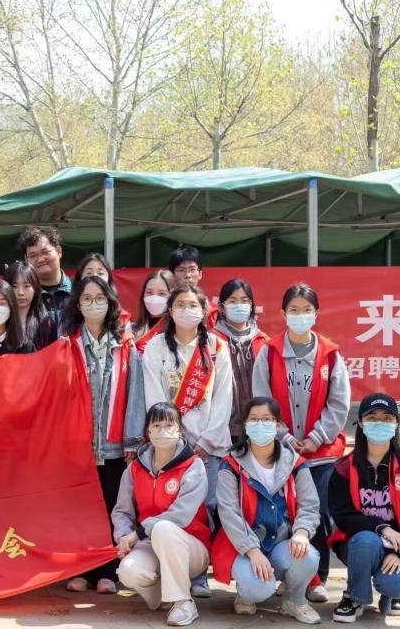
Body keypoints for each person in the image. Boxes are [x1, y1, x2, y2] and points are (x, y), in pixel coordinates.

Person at [252, 283, 351, 603]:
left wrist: (315, 438)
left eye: (306, 310)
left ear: (316, 313)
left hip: (321, 452)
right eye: (293, 310)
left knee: (316, 511)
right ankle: (287, 576)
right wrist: (284, 436)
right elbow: (261, 399)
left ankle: (317, 578)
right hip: (279, 450)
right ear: (283, 314)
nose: (300, 315)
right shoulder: (269, 352)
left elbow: (339, 404)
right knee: (282, 513)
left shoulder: (330, 355)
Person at [142, 284, 232, 599]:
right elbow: (154, 396)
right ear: (170, 310)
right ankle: (172, 570)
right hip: (169, 444)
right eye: (180, 304)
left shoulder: (217, 347)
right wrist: (171, 442)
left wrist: (206, 442)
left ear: (204, 310)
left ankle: (199, 574)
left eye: (193, 305)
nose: (186, 310)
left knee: (207, 507)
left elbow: (224, 398)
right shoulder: (155, 347)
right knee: (174, 507)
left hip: (209, 446)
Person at [63, 276, 145, 595]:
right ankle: (82, 571)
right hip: (79, 444)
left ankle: (107, 572)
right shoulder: (67, 344)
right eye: (86, 298)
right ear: (77, 304)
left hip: (114, 445)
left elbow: (135, 392)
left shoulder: (125, 345)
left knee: (113, 506)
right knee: (81, 510)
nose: (93, 304)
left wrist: (133, 440)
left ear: (110, 302)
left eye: (100, 298)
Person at [212, 397, 322, 624]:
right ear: (245, 425)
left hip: (282, 541)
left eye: (267, 419)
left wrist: (302, 532)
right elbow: (229, 513)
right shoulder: (230, 465)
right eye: (254, 419)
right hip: (244, 546)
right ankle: (246, 593)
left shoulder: (295, 463)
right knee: (258, 589)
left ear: (278, 424)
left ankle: (295, 600)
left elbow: (310, 505)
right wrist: (252, 551)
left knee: (308, 556)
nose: (260, 424)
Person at [112, 402, 210, 627]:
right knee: (128, 571)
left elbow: (181, 515)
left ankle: (183, 601)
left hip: (191, 547)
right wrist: (124, 537)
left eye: (169, 425)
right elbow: (121, 511)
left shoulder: (193, 466)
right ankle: (164, 595)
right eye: (156, 425)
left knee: (164, 528)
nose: (162, 431)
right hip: (150, 544)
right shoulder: (134, 469)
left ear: (180, 430)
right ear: (148, 431)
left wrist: (138, 533)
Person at [329, 393, 400, 623]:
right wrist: (383, 528)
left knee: (394, 584)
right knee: (366, 541)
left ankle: (391, 594)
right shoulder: (343, 469)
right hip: (359, 544)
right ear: (361, 423)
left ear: (396, 423)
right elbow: (342, 515)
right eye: (372, 418)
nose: (380, 423)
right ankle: (355, 597)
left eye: (387, 418)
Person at [212, 279, 269, 441]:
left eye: (244, 301)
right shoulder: (211, 342)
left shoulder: (264, 342)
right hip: (223, 430)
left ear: (251, 306)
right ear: (221, 307)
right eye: (232, 301)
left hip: (260, 429)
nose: (239, 306)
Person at [17, 225, 71, 324]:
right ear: (26, 259)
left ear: (59, 251)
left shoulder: (79, 289)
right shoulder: (24, 296)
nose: (40, 259)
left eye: (45, 252)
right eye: (33, 255)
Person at [4, 261, 56, 350]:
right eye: (14, 286)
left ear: (35, 288)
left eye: (27, 286)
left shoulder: (46, 324)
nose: (20, 292)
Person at [168, 247, 217, 327]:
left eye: (192, 269)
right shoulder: (163, 309)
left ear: (200, 274)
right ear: (172, 275)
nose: (187, 275)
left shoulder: (213, 312)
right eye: (181, 270)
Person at [132, 270, 175, 354]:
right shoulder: (132, 330)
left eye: (162, 293)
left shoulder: (178, 331)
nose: (154, 298)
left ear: (172, 296)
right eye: (149, 292)